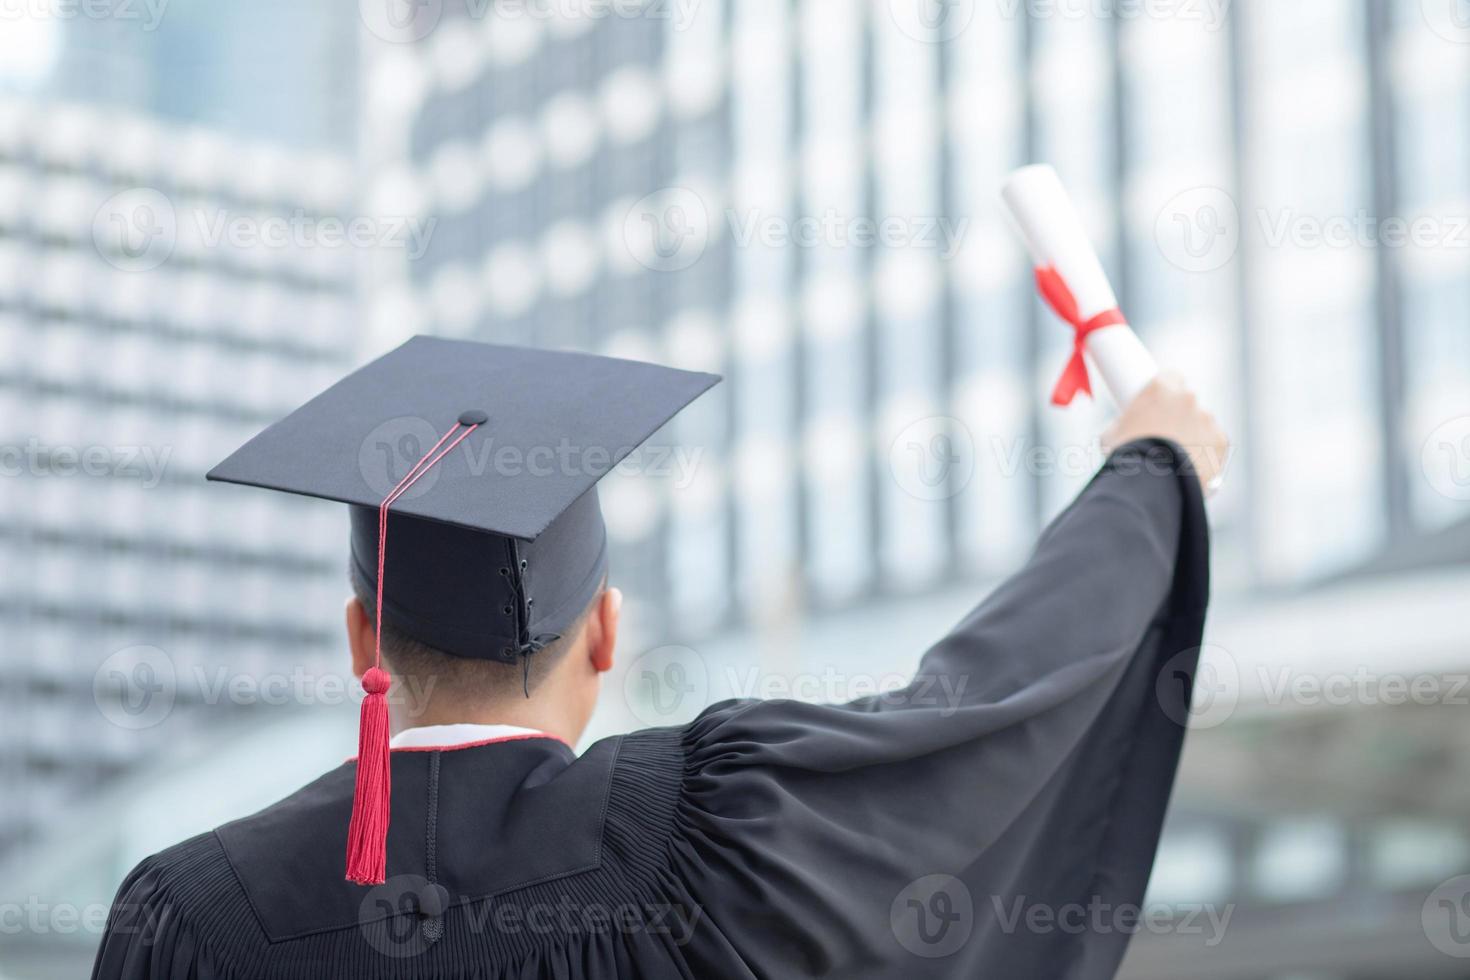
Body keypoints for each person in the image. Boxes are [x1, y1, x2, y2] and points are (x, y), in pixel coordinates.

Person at [91, 336, 1226, 979]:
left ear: (359, 640)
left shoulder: (184, 916)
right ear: (604, 630)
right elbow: (986, 702)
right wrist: (1145, 468)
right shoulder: (722, 827)